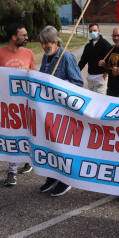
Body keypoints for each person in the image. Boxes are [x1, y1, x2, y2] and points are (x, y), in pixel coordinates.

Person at [35, 26, 83, 197]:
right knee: (49, 146)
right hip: (48, 111)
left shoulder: (66, 57)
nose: (43, 46)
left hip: (63, 111)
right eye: (42, 43)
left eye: (46, 42)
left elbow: (78, 83)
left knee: (62, 147)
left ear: (55, 41)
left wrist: (58, 86)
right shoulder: (46, 58)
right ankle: (52, 176)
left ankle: (65, 180)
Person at [0, 23, 35, 187]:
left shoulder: (29, 53)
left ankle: (26, 159)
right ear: (13, 37)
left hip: (25, 105)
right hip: (7, 106)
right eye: (23, 35)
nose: (27, 37)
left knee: (26, 135)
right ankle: (12, 171)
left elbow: (32, 75)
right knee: (12, 137)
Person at [78, 23, 112, 94]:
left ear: (99, 31)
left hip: (101, 77)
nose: (93, 33)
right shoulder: (88, 46)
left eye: (95, 30)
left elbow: (110, 62)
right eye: (91, 31)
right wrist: (76, 71)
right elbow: (83, 61)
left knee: (100, 100)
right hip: (90, 78)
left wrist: (106, 73)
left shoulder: (106, 44)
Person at [99, 27, 119, 97]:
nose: (116, 38)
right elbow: (109, 67)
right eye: (114, 35)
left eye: (118, 35)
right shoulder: (111, 49)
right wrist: (104, 65)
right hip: (111, 88)